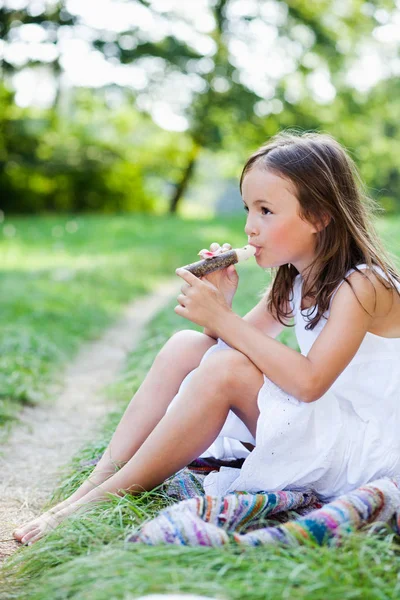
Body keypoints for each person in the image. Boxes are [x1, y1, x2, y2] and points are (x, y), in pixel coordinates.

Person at [14, 131, 400, 546]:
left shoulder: (363, 285)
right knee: (185, 346)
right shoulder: (294, 279)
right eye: (249, 208)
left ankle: (100, 499)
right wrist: (222, 301)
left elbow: (309, 383)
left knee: (226, 369)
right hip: (327, 423)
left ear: (320, 216)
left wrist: (222, 317)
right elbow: (226, 343)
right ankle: (99, 480)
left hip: (364, 449)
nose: (250, 227)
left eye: (267, 211)